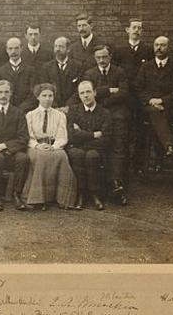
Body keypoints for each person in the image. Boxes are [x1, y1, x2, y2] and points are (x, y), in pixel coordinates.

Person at [79, 45, 131, 205]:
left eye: (104, 57)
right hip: (96, 113)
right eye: (98, 58)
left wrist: (104, 97)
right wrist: (109, 89)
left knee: (117, 144)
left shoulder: (119, 71)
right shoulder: (90, 73)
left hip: (116, 113)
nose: (101, 60)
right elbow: (89, 93)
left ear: (110, 57)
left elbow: (124, 92)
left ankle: (116, 183)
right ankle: (103, 185)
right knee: (99, 145)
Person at [21, 83, 77, 210]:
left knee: (62, 156)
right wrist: (37, 146)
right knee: (41, 157)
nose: (47, 99)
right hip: (36, 147)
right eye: (44, 95)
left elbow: (62, 135)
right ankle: (38, 199)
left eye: (50, 96)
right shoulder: (30, 115)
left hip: (54, 146)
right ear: (38, 97)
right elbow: (28, 136)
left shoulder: (60, 115)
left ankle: (62, 198)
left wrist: (55, 146)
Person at [133, 35, 173, 158]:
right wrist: (150, 100)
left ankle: (161, 160)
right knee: (154, 111)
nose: (159, 48)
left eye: (162, 45)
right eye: (156, 45)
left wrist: (163, 100)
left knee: (159, 116)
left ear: (168, 48)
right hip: (149, 107)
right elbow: (138, 87)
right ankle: (169, 146)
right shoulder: (146, 66)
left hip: (169, 108)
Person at [0, 80, 29, 211]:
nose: (3, 95)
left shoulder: (18, 113)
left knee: (23, 158)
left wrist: (6, 146)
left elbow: (23, 138)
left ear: (11, 93)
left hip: (13, 151)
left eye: (6, 92)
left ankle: (17, 194)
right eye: (0, 92)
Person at [67, 80, 111, 211]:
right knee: (76, 153)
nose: (85, 96)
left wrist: (81, 134)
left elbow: (106, 139)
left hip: (97, 149)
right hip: (79, 148)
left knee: (91, 156)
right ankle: (80, 193)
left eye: (88, 92)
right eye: (82, 93)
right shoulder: (74, 111)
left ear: (95, 93)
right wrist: (93, 135)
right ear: (79, 95)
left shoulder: (104, 113)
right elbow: (71, 136)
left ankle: (94, 193)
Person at [39, 36, 85, 111]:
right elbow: (45, 88)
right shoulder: (46, 67)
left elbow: (79, 89)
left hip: (73, 107)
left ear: (68, 49)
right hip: (53, 107)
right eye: (56, 46)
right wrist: (55, 106)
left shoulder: (78, 66)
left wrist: (68, 106)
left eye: (61, 47)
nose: (57, 49)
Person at [0, 37, 38, 111]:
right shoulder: (0, 72)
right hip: (7, 111)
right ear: (7, 50)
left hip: (26, 111)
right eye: (10, 49)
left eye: (16, 48)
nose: (13, 51)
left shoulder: (31, 70)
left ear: (21, 49)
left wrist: (21, 108)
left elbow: (33, 94)